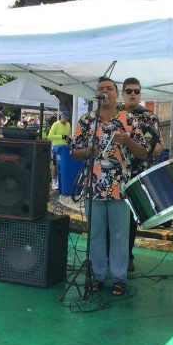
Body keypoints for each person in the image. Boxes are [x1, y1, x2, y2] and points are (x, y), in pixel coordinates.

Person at [71, 77, 148, 296]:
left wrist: (128, 141)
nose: (105, 91)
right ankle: (96, 276)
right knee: (95, 234)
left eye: (109, 88)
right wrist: (89, 151)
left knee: (119, 235)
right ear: (97, 94)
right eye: (101, 88)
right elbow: (74, 152)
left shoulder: (129, 120)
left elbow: (143, 152)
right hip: (92, 187)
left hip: (119, 187)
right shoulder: (87, 121)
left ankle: (119, 278)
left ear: (117, 94)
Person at [119, 77, 163, 271]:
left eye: (136, 91)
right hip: (115, 173)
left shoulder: (150, 117)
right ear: (122, 93)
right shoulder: (114, 114)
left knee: (130, 219)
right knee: (110, 217)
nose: (133, 95)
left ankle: (127, 256)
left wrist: (150, 148)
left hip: (137, 174)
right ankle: (106, 256)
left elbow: (160, 145)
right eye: (129, 91)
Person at [47, 111, 72, 190]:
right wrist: (62, 137)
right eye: (64, 118)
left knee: (63, 165)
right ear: (61, 117)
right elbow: (50, 137)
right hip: (56, 148)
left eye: (67, 118)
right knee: (55, 164)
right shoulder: (56, 124)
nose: (65, 120)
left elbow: (68, 136)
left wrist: (69, 139)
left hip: (65, 148)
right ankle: (54, 182)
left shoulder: (68, 125)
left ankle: (59, 181)